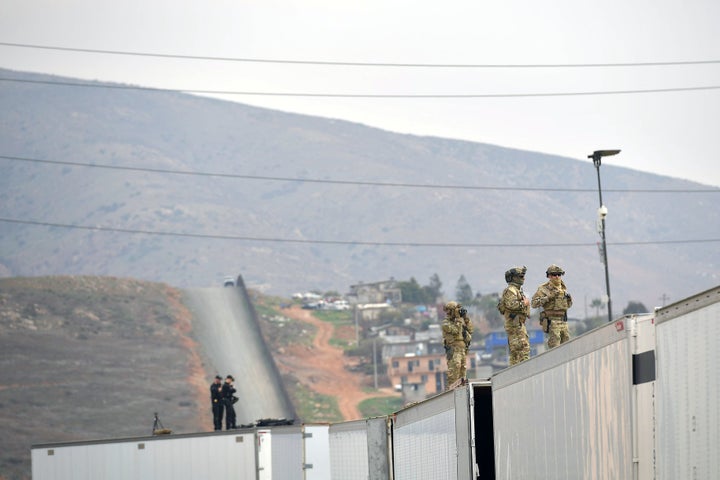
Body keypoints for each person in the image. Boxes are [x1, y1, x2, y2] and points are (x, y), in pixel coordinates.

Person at [532, 264, 573, 348]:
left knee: (567, 345)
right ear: (549, 276)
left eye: (559, 274)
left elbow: (568, 305)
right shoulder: (543, 289)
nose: (557, 277)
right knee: (555, 346)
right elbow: (534, 304)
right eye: (554, 275)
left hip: (563, 321)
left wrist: (569, 299)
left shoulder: (563, 288)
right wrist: (548, 298)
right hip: (552, 322)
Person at [498, 266, 531, 366]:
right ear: (514, 278)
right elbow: (511, 305)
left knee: (519, 352)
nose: (523, 278)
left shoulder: (517, 290)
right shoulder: (511, 290)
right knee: (520, 350)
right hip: (514, 326)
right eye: (520, 276)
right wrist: (524, 303)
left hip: (519, 325)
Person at [442, 301, 473, 388]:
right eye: (455, 310)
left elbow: (470, 330)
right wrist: (459, 319)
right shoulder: (446, 323)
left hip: (462, 350)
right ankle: (451, 393)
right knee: (454, 374)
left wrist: (465, 318)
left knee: (463, 374)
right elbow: (455, 331)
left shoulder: (459, 322)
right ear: (450, 311)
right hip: (454, 351)